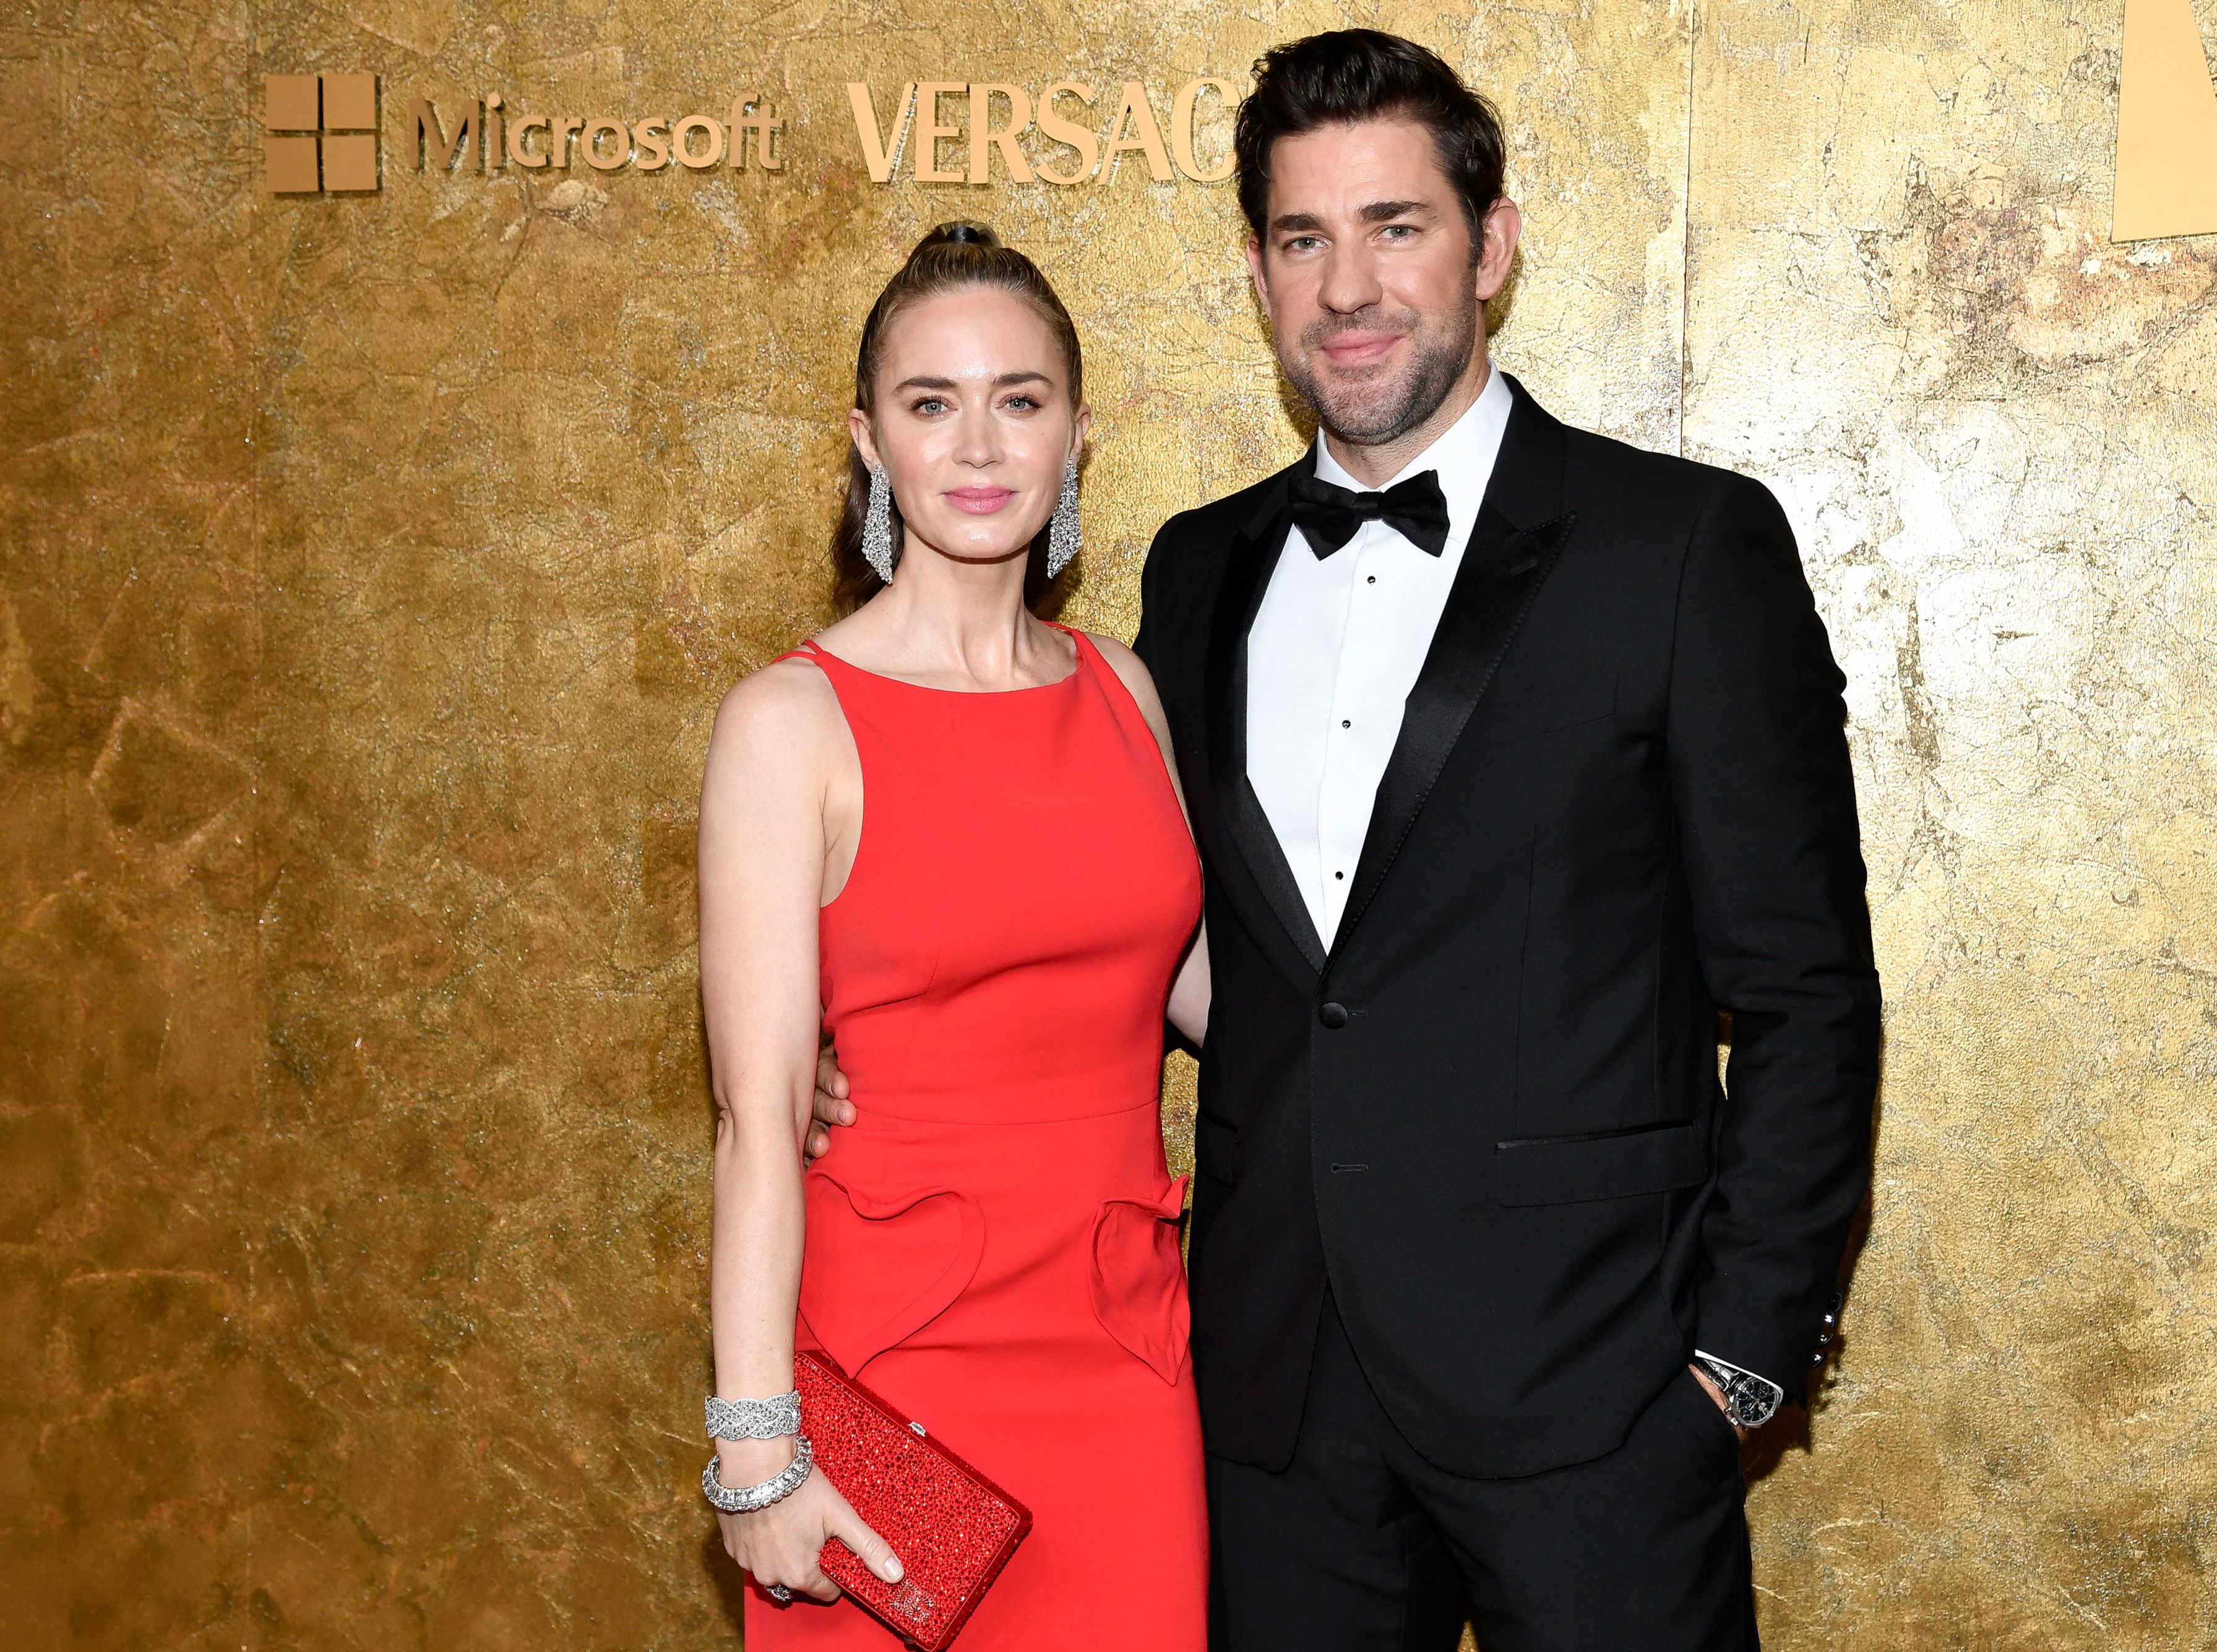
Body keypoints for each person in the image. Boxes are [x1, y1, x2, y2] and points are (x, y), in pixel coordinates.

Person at [811, 29, 1880, 1650]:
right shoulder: (1197, 573)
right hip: (1274, 1410)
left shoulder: (1681, 547)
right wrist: (857, 1034)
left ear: (1493, 244)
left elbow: (1805, 989)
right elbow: (1144, 930)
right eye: (1304, 239)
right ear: (1256, 273)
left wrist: (1735, 1359)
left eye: (1397, 226)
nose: (1349, 285)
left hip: (1595, 1405)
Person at [697, 222, 1210, 1650]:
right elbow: (755, 1123)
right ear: (870, 442)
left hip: (1126, 1360)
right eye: (932, 403)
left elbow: (1235, 1001)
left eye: (1021, 399)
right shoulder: (790, 723)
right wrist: (755, 1447)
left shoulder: (1127, 692)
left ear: (1078, 433)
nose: (979, 445)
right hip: (892, 1367)